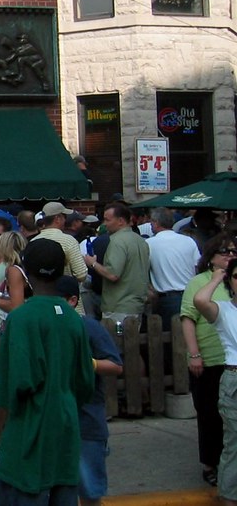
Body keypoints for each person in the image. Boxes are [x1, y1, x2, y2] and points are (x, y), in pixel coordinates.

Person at [0, 239, 95, 505]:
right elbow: (85, 381)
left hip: (28, 428)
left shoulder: (21, 318)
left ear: (26, 271)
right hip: (65, 427)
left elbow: (13, 385)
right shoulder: (74, 319)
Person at [53, 275, 123, 506]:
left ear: (72, 300)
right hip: (53, 421)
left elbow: (115, 365)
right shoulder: (42, 326)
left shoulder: (89, 327)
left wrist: (88, 362)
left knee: (90, 490)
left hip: (87, 421)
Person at [182, 234, 237, 487]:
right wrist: (194, 353)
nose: (229, 255)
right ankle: (210, 463)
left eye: (233, 251)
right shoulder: (200, 281)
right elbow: (188, 317)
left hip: (228, 359)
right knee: (209, 414)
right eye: (224, 251)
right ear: (211, 255)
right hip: (209, 356)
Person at [193, 255, 237, 506]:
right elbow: (200, 300)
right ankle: (230, 496)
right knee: (234, 443)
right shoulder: (223, 310)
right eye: (236, 277)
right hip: (234, 377)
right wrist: (219, 276)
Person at [86, 203, 151, 325]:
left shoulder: (117, 241)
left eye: (107, 220)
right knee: (132, 343)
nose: (104, 224)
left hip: (118, 307)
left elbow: (113, 274)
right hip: (136, 304)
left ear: (120, 221)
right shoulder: (140, 240)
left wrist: (93, 263)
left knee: (117, 343)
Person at [147, 207, 200, 325]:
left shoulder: (149, 244)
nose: (150, 224)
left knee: (170, 337)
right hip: (190, 296)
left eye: (151, 221)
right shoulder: (189, 241)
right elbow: (197, 267)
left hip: (167, 299)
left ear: (156, 223)